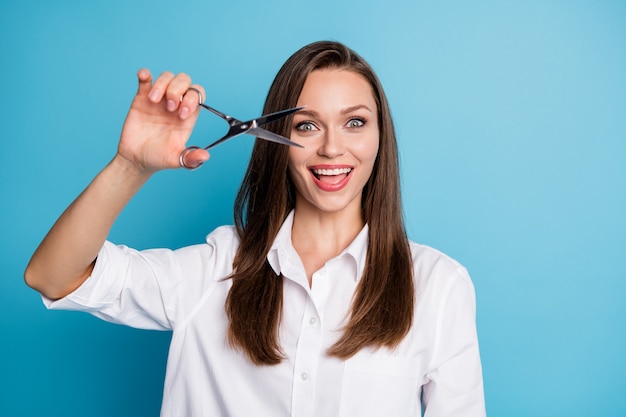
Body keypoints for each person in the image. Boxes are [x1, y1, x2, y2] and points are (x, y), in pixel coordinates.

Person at [25, 41, 486, 416]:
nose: (332, 147)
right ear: (275, 142)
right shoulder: (214, 270)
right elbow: (52, 276)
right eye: (306, 126)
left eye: (355, 122)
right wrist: (129, 166)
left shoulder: (437, 286)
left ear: (380, 137)